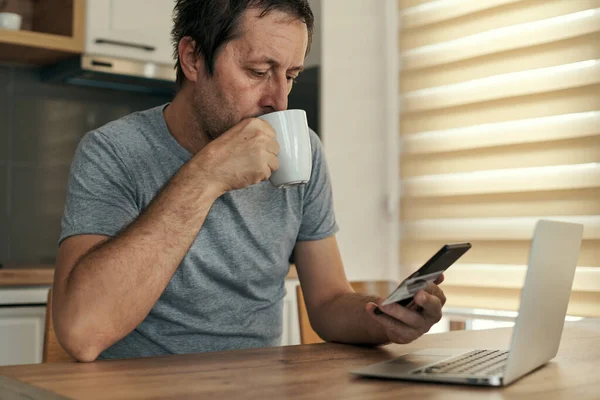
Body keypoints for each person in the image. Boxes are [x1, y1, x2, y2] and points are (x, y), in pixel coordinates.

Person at [53, 0, 446, 362]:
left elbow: (327, 303)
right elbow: (82, 333)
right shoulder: (112, 151)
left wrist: (384, 317)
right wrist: (206, 176)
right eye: (258, 71)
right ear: (192, 58)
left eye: (290, 75)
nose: (279, 100)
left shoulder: (302, 149)